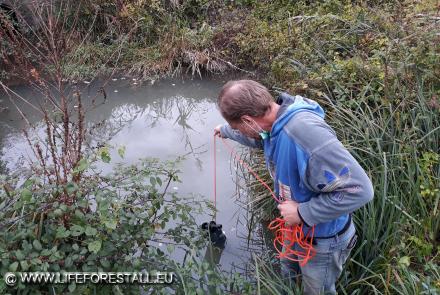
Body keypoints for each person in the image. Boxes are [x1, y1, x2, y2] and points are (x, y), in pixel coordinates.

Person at [214, 80, 374, 295]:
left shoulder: (304, 133)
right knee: (288, 271)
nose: (239, 131)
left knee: (317, 291)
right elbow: (260, 138)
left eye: (237, 127)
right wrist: (226, 130)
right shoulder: (273, 124)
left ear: (248, 120)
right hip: (295, 228)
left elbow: (360, 190)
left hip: (323, 240)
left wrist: (302, 212)